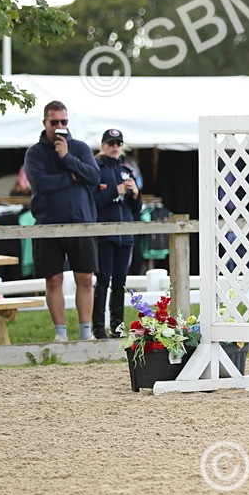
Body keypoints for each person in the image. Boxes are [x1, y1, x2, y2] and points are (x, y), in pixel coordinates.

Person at [24, 100, 101, 342]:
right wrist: (71, 176)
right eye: (54, 122)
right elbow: (39, 184)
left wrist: (67, 158)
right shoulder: (34, 152)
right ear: (45, 122)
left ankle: (86, 332)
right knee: (53, 279)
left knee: (85, 278)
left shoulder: (79, 147)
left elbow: (93, 176)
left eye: (64, 122)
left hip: (81, 222)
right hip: (48, 224)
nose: (59, 126)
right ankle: (60, 334)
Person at [92, 129, 141, 339]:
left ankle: (118, 327)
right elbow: (93, 202)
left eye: (118, 143)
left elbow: (135, 209)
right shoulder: (96, 169)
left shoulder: (126, 170)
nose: (115, 147)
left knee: (120, 281)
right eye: (111, 143)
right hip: (104, 233)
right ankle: (98, 328)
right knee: (103, 280)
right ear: (103, 145)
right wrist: (115, 190)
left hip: (125, 233)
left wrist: (136, 194)